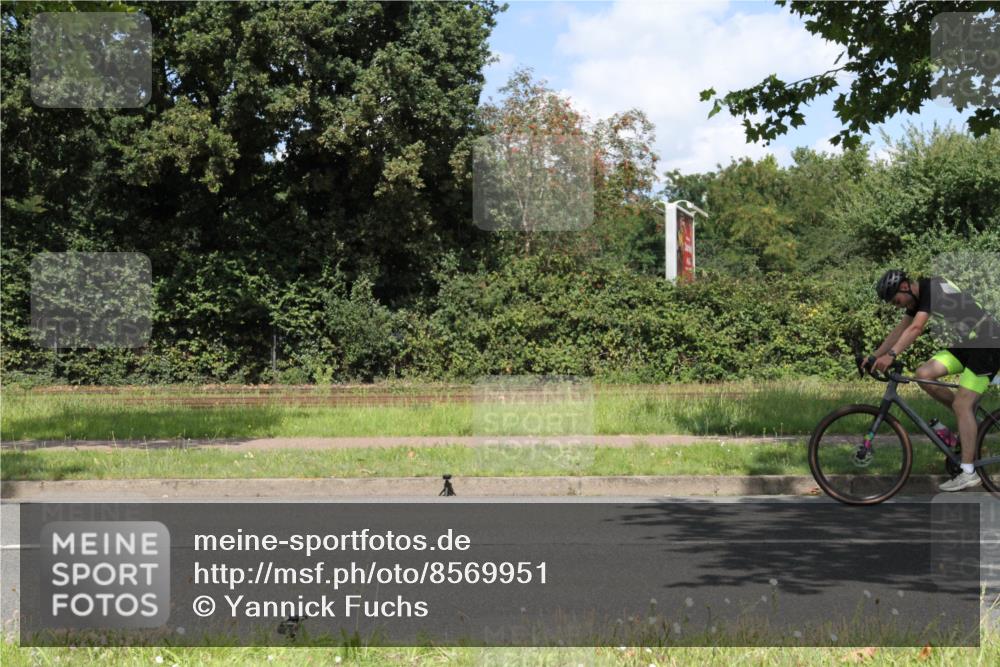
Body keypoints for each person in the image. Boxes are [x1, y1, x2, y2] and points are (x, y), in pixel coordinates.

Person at [866, 269, 1000, 491]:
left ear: (905, 287)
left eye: (897, 301)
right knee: (924, 374)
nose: (898, 306)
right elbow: (901, 330)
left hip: (989, 342)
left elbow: (916, 328)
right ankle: (967, 419)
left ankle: (968, 472)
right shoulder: (917, 299)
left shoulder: (931, 287)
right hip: (969, 343)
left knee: (962, 404)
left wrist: (891, 356)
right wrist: (874, 355)